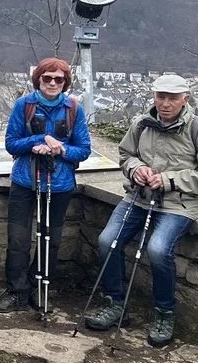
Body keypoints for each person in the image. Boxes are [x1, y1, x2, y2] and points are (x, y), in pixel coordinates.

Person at [84, 74, 198, 347]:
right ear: (154, 97)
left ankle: (164, 313)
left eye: (172, 98)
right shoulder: (141, 123)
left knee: (158, 250)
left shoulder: (194, 127)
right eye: (161, 97)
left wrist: (169, 180)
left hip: (179, 203)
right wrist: (136, 169)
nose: (166, 104)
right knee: (107, 241)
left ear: (186, 99)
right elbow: (125, 156)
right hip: (139, 197)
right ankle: (115, 305)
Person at [0, 58, 91, 313]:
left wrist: (59, 149)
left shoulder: (73, 109)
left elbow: (84, 150)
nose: (53, 83)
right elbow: (12, 143)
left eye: (59, 79)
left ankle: (39, 287)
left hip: (59, 184)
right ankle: (17, 290)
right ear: (38, 79)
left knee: (51, 239)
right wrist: (39, 138)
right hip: (25, 181)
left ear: (65, 82)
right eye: (47, 78)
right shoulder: (24, 105)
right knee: (18, 238)